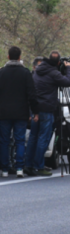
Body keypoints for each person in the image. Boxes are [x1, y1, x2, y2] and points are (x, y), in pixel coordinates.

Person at [25, 51, 70, 177]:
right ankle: (39, 166)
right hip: (47, 108)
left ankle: (28, 165)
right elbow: (68, 82)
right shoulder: (53, 73)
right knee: (43, 138)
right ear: (58, 62)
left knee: (33, 137)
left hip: (35, 108)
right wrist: (68, 69)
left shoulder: (37, 71)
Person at [0, 47, 39, 178]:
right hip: (21, 113)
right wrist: (35, 111)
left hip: (3, 113)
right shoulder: (25, 73)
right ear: (19, 57)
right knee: (20, 141)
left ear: (8, 57)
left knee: (4, 141)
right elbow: (32, 95)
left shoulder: (1, 73)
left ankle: (5, 169)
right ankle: (19, 168)